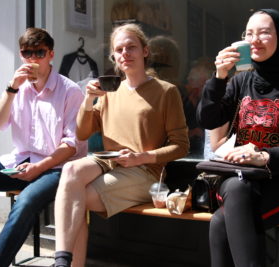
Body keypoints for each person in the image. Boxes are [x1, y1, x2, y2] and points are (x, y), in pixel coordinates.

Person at [196, 9, 279, 267]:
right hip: (241, 180)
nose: (255, 39)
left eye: (265, 32)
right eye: (249, 33)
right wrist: (219, 77)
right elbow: (207, 120)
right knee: (236, 187)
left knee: (220, 223)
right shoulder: (240, 81)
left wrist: (264, 156)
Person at [52, 23, 189, 267]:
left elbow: (181, 146)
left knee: (75, 198)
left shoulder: (166, 92)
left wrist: (142, 156)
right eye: (119, 50)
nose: (125, 53)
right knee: (71, 171)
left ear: (145, 51)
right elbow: (82, 133)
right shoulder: (109, 91)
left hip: (144, 171)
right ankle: (62, 260)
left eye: (131, 47)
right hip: (108, 160)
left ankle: (69, 264)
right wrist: (88, 100)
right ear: (113, 57)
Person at [0, 27, 87, 267]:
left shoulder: (70, 91)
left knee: (25, 200)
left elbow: (71, 144)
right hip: (22, 162)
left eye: (40, 53)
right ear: (21, 54)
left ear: (51, 54)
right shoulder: (18, 88)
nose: (33, 59)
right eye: (27, 53)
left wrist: (39, 168)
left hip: (58, 168)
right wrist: (12, 88)